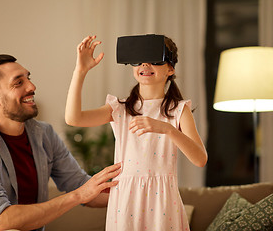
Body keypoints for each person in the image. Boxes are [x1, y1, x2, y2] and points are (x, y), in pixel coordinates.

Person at [0, 54, 121, 231]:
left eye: (28, 78)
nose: (32, 86)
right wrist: (77, 196)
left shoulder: (45, 134)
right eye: (18, 83)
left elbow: (83, 186)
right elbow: (1, 220)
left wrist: (139, 195)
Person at [65, 35, 208, 230]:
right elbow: (73, 118)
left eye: (155, 60)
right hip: (125, 199)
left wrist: (166, 129)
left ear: (170, 68)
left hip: (163, 201)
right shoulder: (119, 109)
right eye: (138, 60)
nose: (145, 64)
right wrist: (80, 71)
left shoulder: (179, 110)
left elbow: (200, 159)